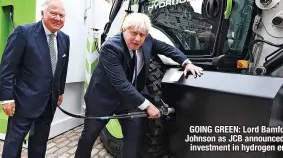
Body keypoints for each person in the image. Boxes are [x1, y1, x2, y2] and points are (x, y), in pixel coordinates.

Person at [75, 13, 203, 158]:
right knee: (88, 138)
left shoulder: (147, 40)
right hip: (102, 100)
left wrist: (187, 63)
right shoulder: (111, 48)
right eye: (133, 33)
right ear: (124, 29)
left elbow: (168, 49)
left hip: (128, 101)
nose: (137, 38)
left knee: (133, 139)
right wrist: (148, 106)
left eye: (141, 34)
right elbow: (121, 84)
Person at [0, 0, 70, 158]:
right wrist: (6, 98)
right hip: (23, 101)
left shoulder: (65, 38)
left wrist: (60, 91)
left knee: (40, 142)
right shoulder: (23, 33)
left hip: (49, 102)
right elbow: (8, 67)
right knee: (14, 142)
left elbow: (62, 68)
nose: (58, 18)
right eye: (54, 13)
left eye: (62, 15)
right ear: (42, 13)